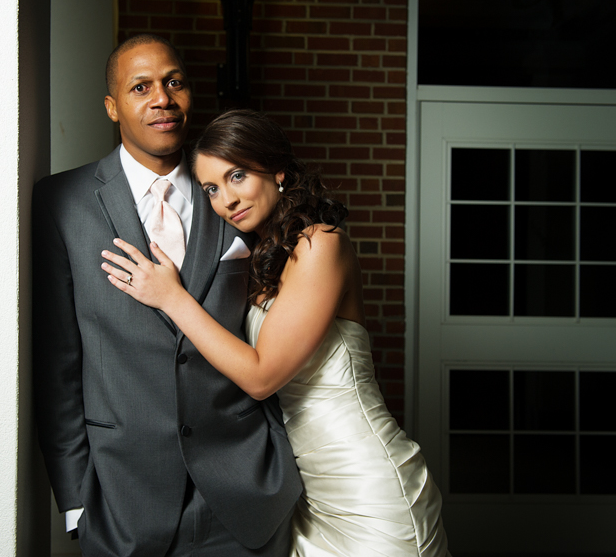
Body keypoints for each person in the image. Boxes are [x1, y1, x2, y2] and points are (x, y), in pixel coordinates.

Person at [102, 109, 452, 557]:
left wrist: (172, 298)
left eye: (238, 176)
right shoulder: (267, 257)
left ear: (278, 171)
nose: (226, 199)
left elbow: (262, 375)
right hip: (308, 491)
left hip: (364, 482)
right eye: (211, 188)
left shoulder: (321, 243)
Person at [32, 35, 301, 557]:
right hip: (120, 499)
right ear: (113, 106)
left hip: (244, 495)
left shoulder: (234, 193)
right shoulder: (62, 202)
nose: (162, 97)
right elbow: (57, 363)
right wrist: (74, 499)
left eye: (173, 82)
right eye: (141, 87)